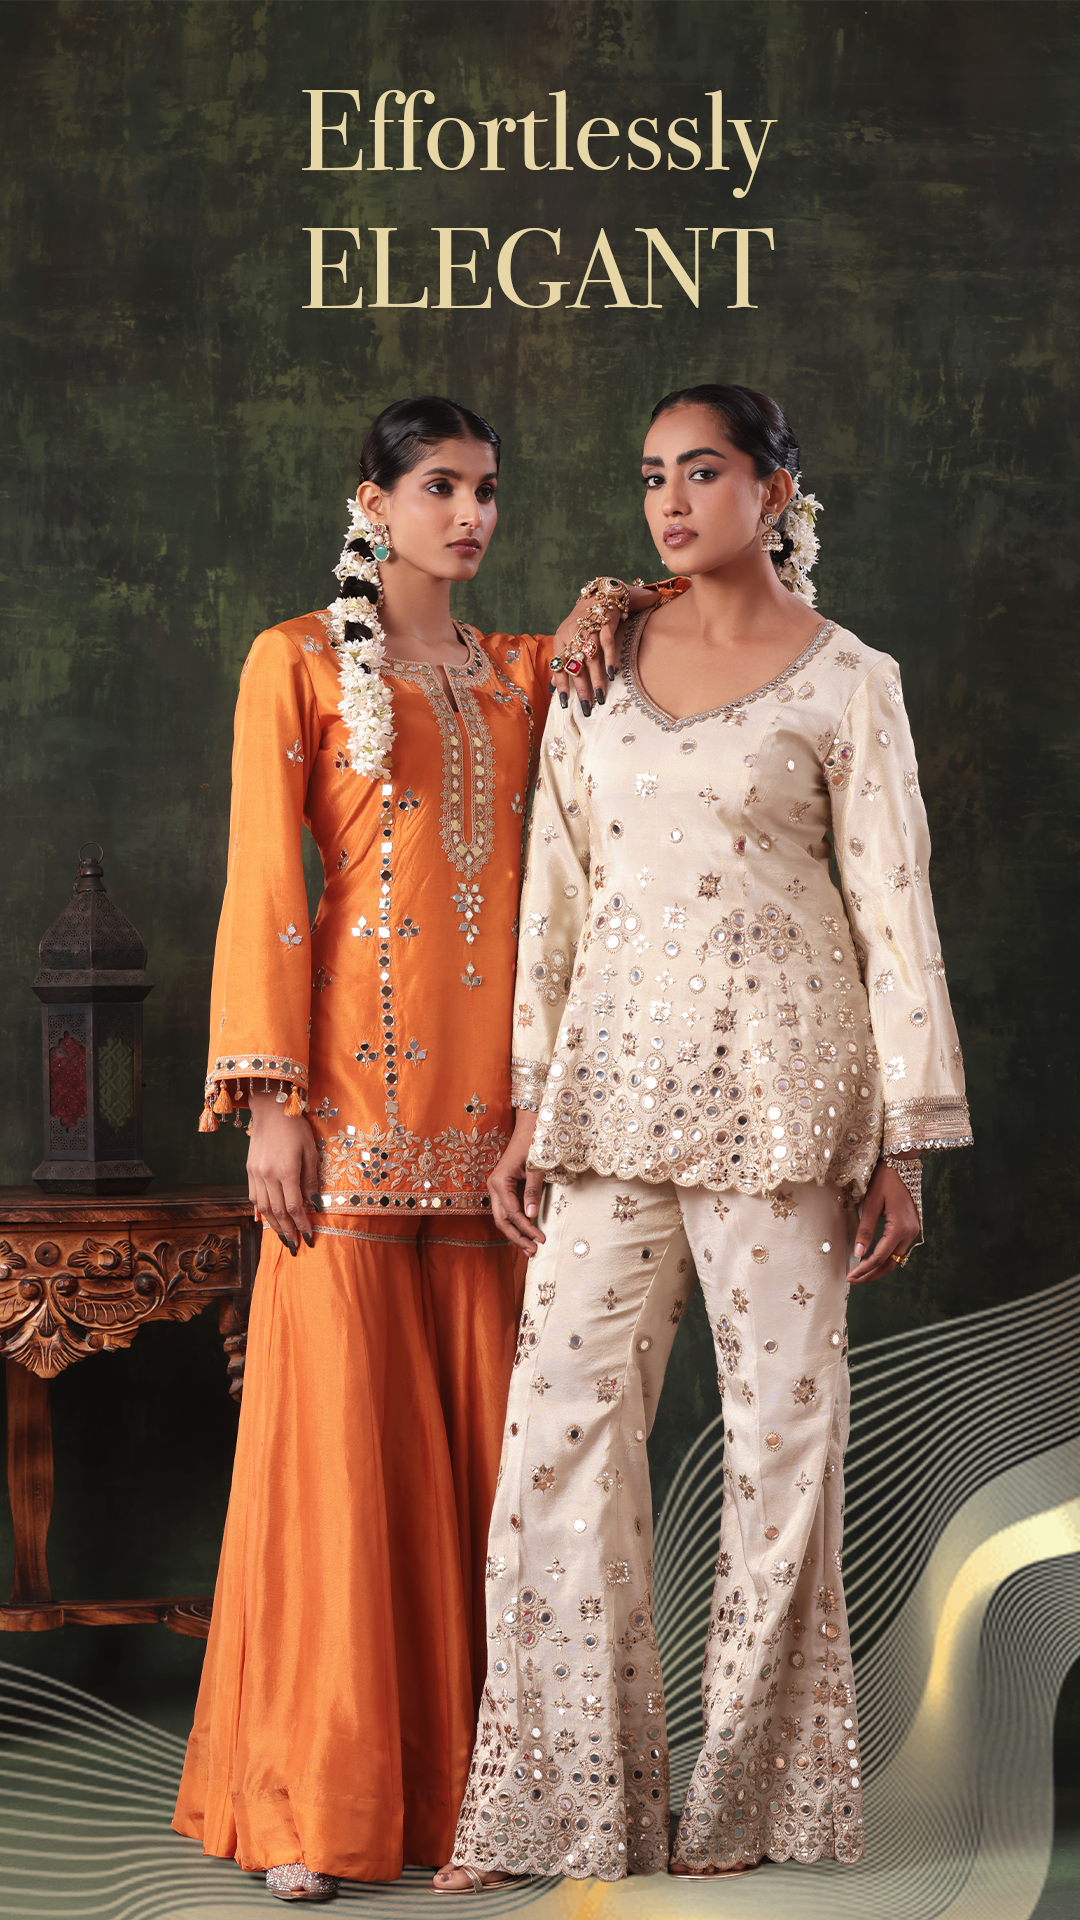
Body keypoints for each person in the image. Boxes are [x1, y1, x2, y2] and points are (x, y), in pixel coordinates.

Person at [434, 382, 972, 1892]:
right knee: (556, 1437)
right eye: (652, 476)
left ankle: (749, 1805)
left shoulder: (849, 680)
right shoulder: (597, 663)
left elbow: (895, 906)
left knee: (782, 1447)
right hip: (609, 1099)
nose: (670, 502)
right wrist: (529, 1098)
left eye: (705, 471)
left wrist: (905, 1141)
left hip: (790, 1103)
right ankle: (561, 1807)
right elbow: (555, 891)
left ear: (775, 490)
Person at [173, 395, 658, 1902]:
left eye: (488, 490)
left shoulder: (526, 673)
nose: (471, 516)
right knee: (336, 1468)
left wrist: (615, 596)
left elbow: (671, 628)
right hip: (349, 1116)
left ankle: (477, 1800)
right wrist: (270, 1102)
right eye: (440, 487)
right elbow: (268, 879)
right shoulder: (297, 662)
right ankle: (313, 1807)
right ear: (370, 502)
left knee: (501, 1471)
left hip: (496, 1134)